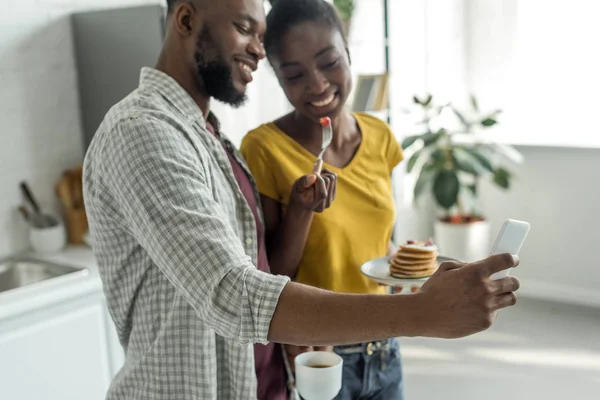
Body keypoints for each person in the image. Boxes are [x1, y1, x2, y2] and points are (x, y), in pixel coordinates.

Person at [82, 0, 521, 399]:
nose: (258, 49)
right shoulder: (142, 132)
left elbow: (259, 274)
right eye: (245, 28)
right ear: (185, 19)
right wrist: (422, 311)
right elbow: (233, 294)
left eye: (260, 35)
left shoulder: (209, 138)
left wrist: (306, 333)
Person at [240, 0, 409, 397]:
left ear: (348, 53)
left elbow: (377, 241)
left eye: (329, 62)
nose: (316, 85)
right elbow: (270, 276)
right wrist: (301, 211)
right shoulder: (263, 148)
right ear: (278, 79)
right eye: (295, 74)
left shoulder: (381, 137)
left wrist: (408, 264)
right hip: (319, 355)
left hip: (385, 344)